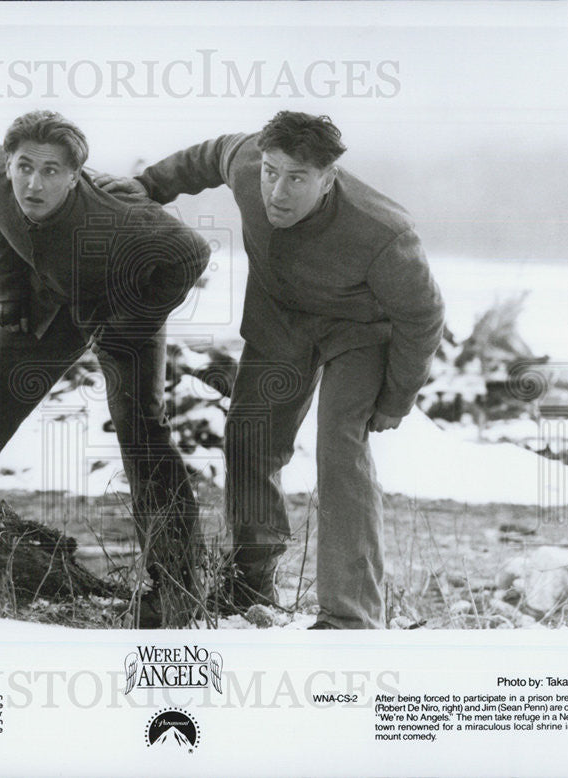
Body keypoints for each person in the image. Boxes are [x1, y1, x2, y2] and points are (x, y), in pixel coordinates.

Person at [96, 111, 444, 629]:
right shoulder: (246, 162)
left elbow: (422, 316)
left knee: (339, 447)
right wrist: (149, 186)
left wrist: (396, 399)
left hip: (358, 334)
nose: (277, 191)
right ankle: (251, 582)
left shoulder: (384, 232)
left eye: (297, 178)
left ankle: (351, 616)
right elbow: (209, 154)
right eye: (271, 172)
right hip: (281, 322)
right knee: (250, 438)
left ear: (329, 179)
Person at [0, 110, 210, 628]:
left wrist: (129, 325)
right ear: (7, 162)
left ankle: (177, 586)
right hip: (48, 298)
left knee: (142, 432)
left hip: (123, 297)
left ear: (76, 177)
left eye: (52, 171)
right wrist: (8, 291)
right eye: (25, 166)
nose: (33, 182)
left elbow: (190, 253)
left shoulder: (122, 222)